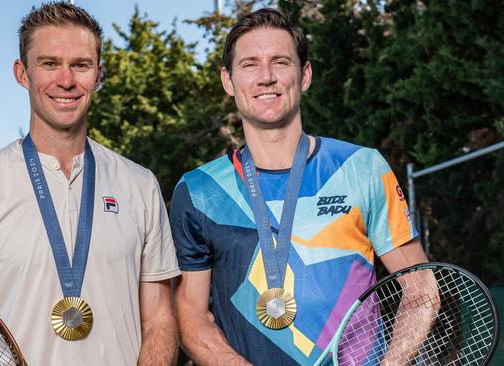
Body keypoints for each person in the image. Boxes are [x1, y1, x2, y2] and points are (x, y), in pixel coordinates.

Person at [0, 2, 180, 365]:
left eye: (81, 65)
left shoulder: (140, 184)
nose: (66, 80)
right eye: (49, 63)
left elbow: (159, 319)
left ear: (98, 74)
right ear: (22, 73)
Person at [170, 8, 428, 366]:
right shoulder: (198, 190)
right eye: (249, 65)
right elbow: (189, 312)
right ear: (228, 81)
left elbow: (421, 289)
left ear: (304, 75)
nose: (266, 77)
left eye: (280, 62)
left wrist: (391, 364)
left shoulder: (362, 168)